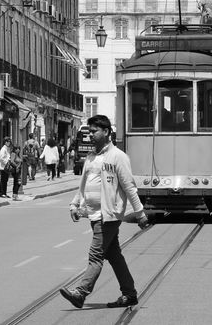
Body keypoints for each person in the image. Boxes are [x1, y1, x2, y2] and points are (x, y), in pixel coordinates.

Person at [61, 114, 150, 309]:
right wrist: (75, 205)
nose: (90, 135)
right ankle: (129, 293)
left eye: (94, 131)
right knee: (113, 254)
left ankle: (81, 293)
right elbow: (82, 185)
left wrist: (140, 213)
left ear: (107, 132)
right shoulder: (91, 157)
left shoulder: (118, 157)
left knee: (96, 254)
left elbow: (129, 187)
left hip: (108, 214)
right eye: (89, 131)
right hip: (93, 214)